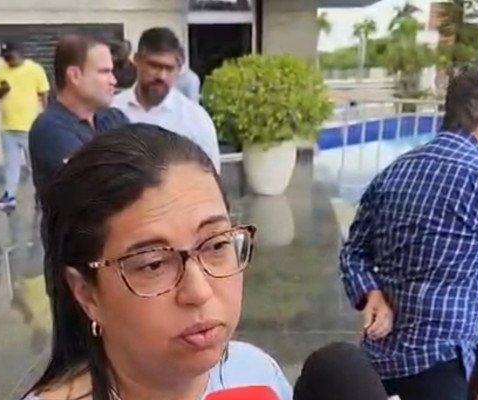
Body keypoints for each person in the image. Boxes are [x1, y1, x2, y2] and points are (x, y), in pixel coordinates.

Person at [23, 124, 292, 400]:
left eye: (216, 245)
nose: (199, 292)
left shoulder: (257, 373)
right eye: (153, 264)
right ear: (87, 294)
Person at [340, 60, 478, 400]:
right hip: (445, 366)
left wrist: (371, 293)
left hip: (379, 367)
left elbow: (354, 252)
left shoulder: (395, 171)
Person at [29, 34, 128, 204]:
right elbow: (98, 186)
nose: (113, 80)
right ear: (74, 75)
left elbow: (146, 166)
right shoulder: (50, 129)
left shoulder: (114, 118)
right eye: (104, 72)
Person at [113, 28, 221, 172]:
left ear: (179, 69)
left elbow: (210, 176)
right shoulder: (112, 110)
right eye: (154, 66)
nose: (161, 76)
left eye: (169, 68)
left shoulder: (195, 119)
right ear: (137, 60)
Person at [0, 42, 50, 210]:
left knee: (35, 164)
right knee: (11, 164)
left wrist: (46, 117)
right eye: (5, 57)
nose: (8, 60)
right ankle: (9, 195)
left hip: (30, 127)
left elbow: (44, 93)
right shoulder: (0, 69)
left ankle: (41, 194)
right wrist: (2, 90)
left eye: (10, 57)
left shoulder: (34, 69)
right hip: (8, 127)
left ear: (19, 53)